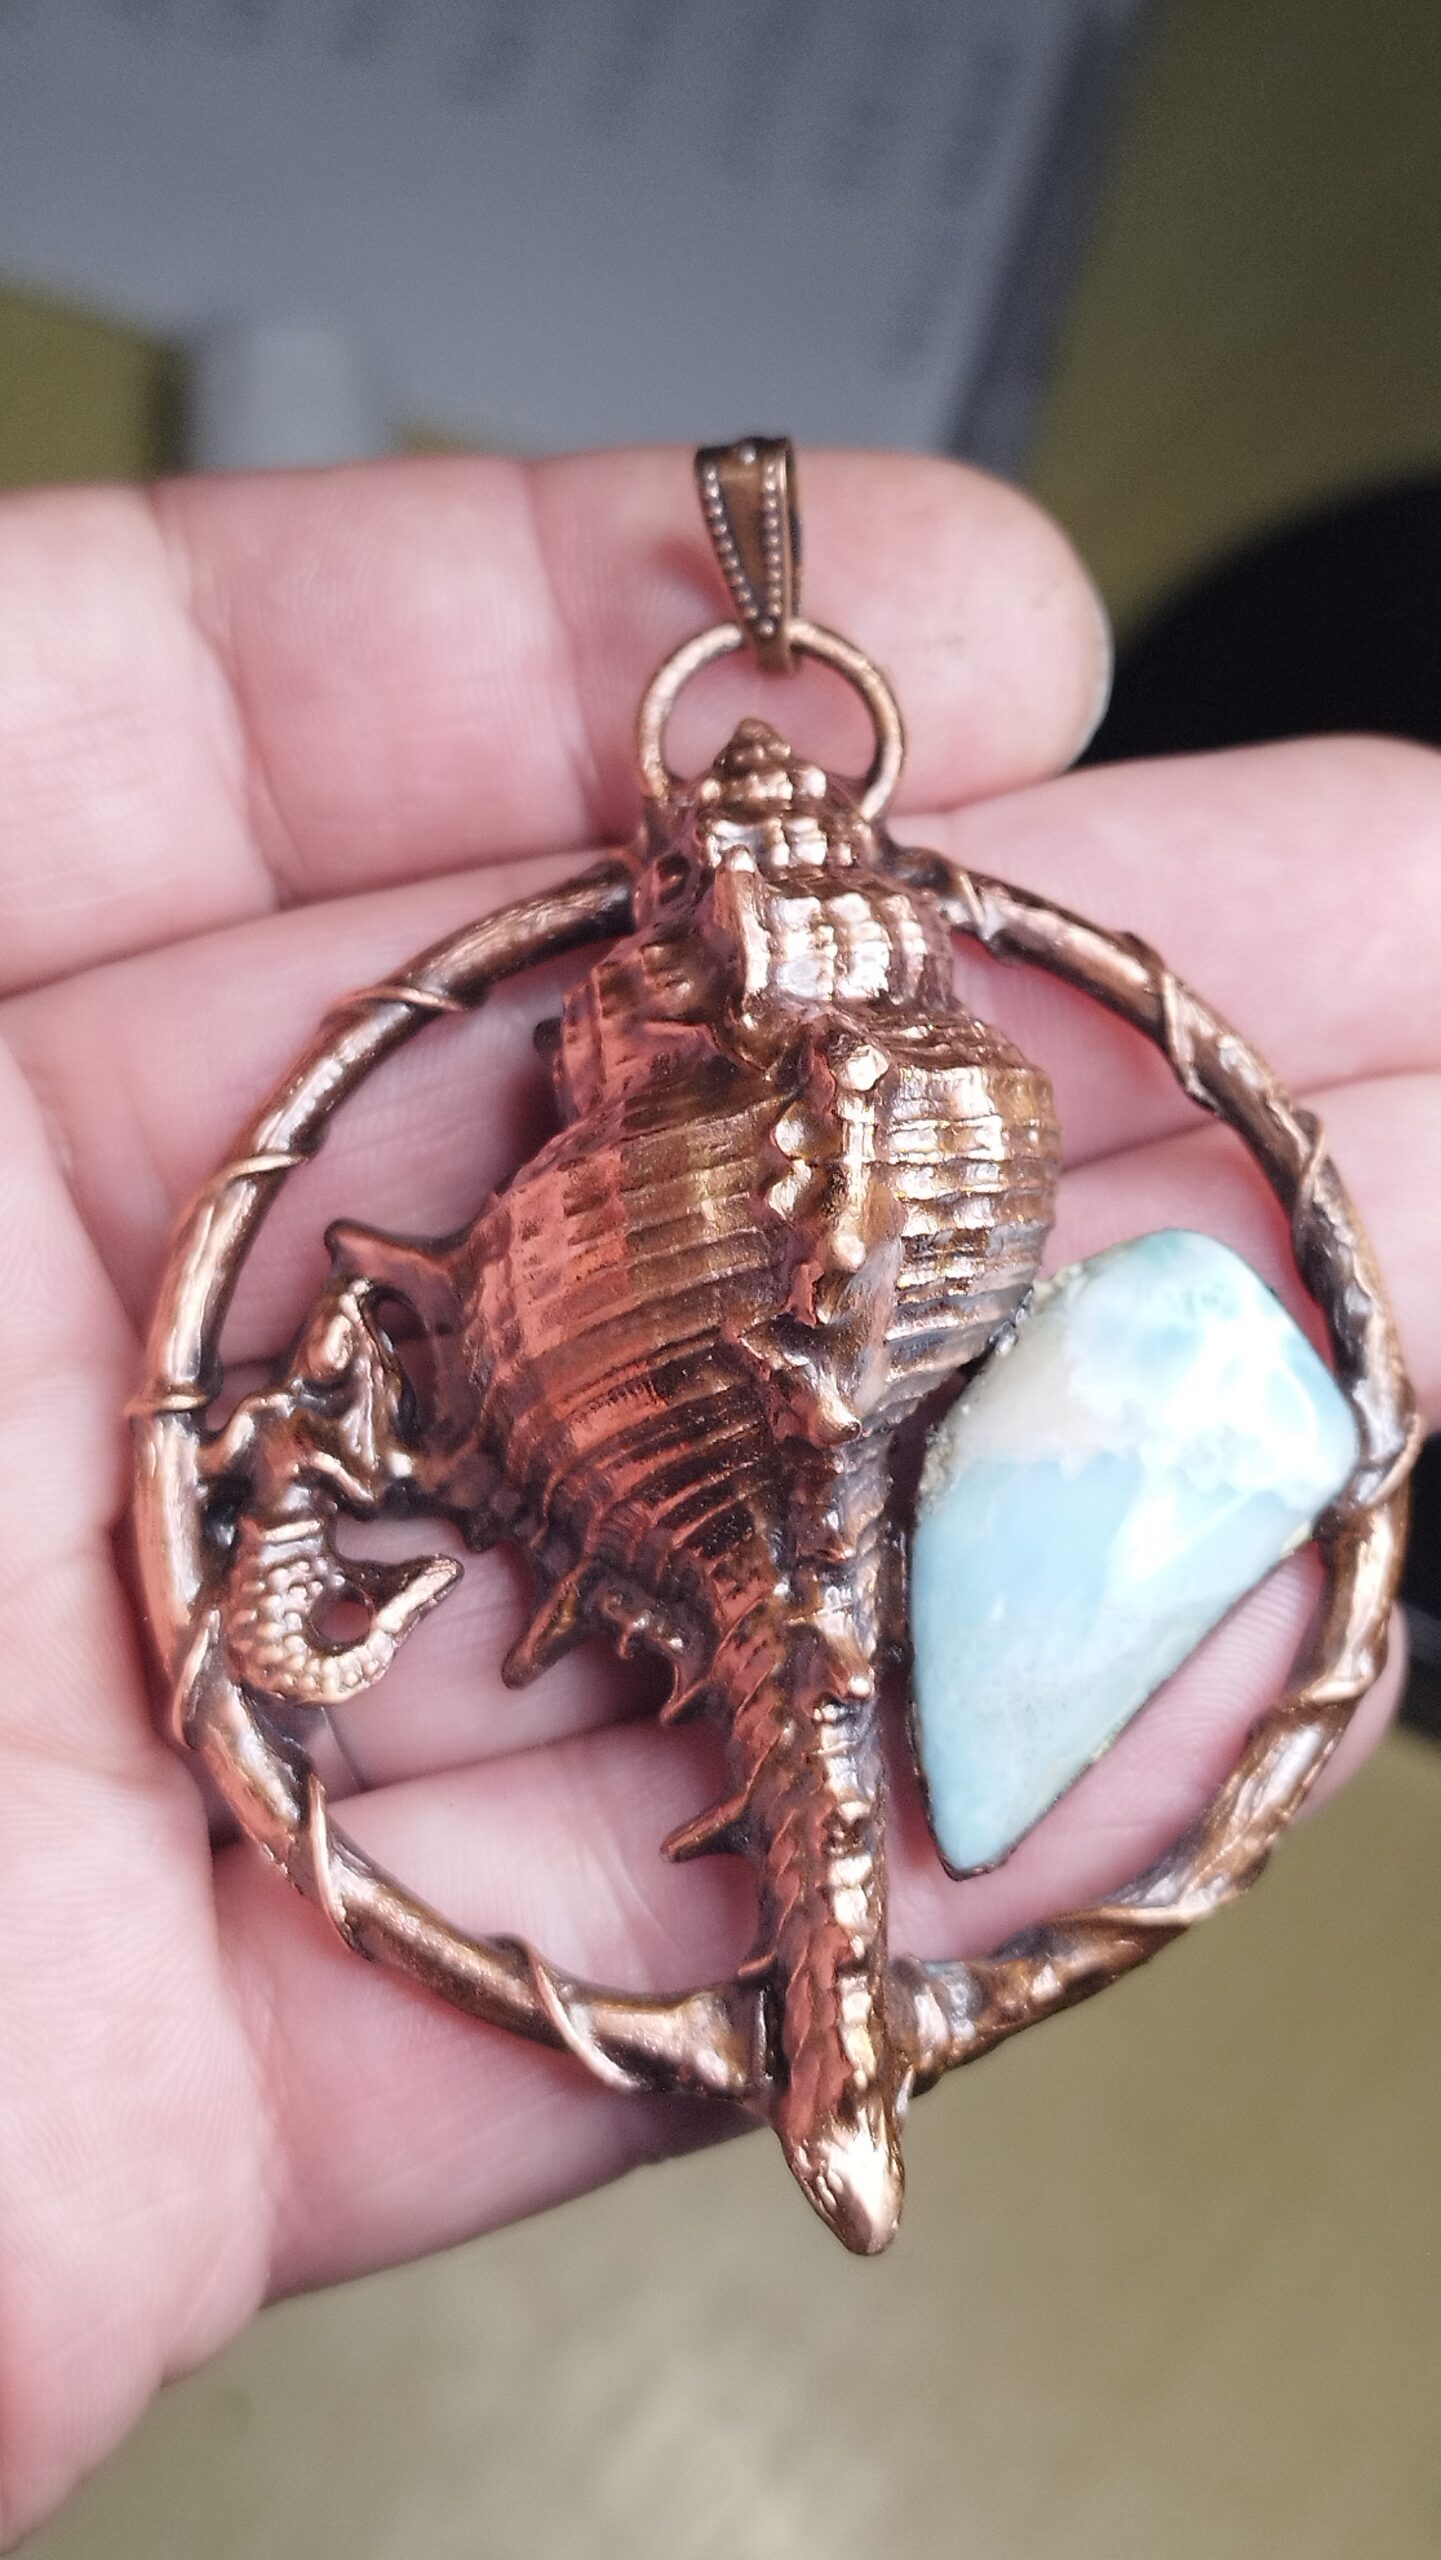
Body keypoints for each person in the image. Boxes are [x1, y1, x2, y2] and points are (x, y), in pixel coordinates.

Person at [0, 448, 1431, 2538]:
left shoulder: (914, 1072)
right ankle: (835, 2035)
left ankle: (837, 2032)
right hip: (634, 1351)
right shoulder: (680, 1075)